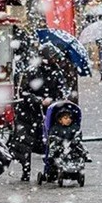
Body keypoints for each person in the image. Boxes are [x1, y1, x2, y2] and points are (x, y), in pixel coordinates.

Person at [12, 43, 70, 181]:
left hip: (49, 112)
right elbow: (24, 92)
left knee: (51, 141)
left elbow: (63, 90)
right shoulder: (32, 71)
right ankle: (26, 170)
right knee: (25, 143)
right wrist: (38, 100)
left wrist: (54, 99)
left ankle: (52, 168)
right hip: (30, 113)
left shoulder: (56, 72)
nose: (55, 61)